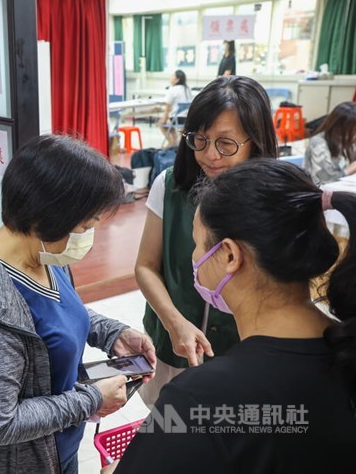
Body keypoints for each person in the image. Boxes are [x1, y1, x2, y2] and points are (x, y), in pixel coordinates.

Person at [112, 159, 356, 472]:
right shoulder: (345, 351)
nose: (195, 257)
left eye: (198, 243)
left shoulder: (199, 400)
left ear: (229, 255)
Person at [0, 135, 157, 474]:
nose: (89, 235)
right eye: (85, 224)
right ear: (47, 218)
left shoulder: (48, 254)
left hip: (59, 449)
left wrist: (111, 333)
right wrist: (93, 399)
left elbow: (58, 315)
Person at [135, 76, 278, 407]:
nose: (210, 155)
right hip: (172, 346)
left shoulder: (273, 198)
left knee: (223, 441)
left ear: (254, 141)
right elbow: (145, 266)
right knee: (168, 431)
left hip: (240, 355)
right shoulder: (169, 186)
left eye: (226, 144)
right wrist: (174, 322)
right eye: (200, 139)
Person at [304, 101, 356, 185]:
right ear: (340, 127)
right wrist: (350, 169)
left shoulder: (349, 140)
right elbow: (326, 180)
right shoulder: (318, 143)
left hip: (343, 189)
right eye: (353, 130)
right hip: (319, 192)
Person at [158, 70, 193, 147]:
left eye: (172, 76)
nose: (171, 77)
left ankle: (171, 142)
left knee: (161, 123)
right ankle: (175, 141)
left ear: (177, 79)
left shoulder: (173, 89)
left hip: (177, 118)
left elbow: (168, 106)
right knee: (170, 121)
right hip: (187, 118)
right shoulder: (187, 89)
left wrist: (164, 118)